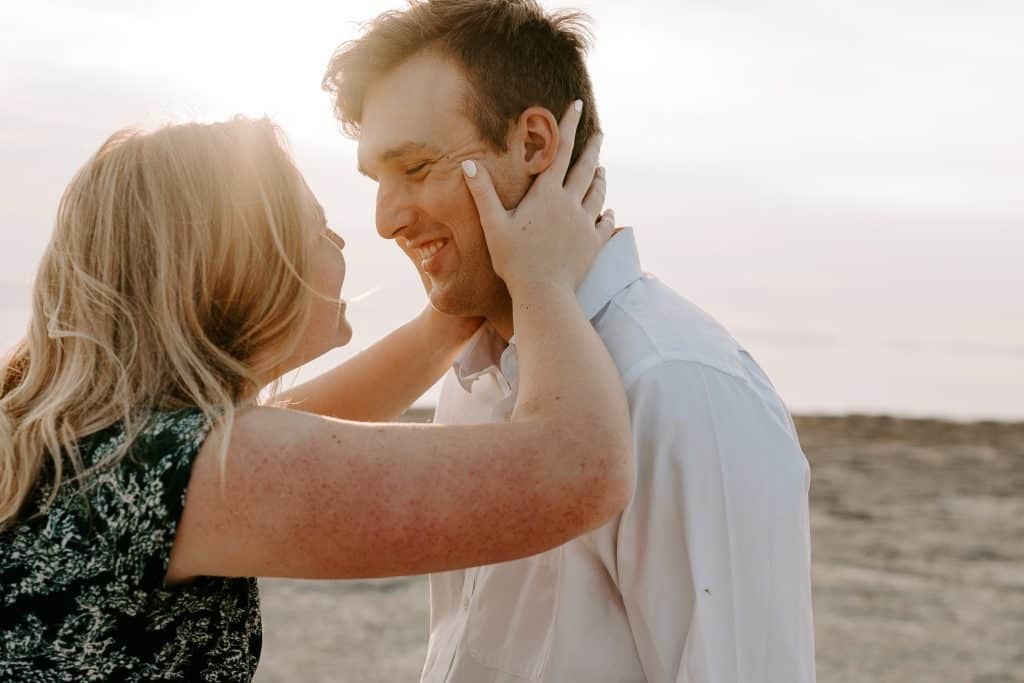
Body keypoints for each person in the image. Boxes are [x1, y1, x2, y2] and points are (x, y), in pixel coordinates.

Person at [0, 106, 632, 681]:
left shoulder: (90, 448)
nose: (344, 243)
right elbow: (576, 471)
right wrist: (541, 278)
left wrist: (458, 309)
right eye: (318, 228)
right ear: (243, 265)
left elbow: (293, 429)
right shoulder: (178, 469)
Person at [322, 1, 817, 681]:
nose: (386, 220)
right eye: (378, 180)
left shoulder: (680, 383)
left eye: (415, 166)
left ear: (533, 145)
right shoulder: (473, 377)